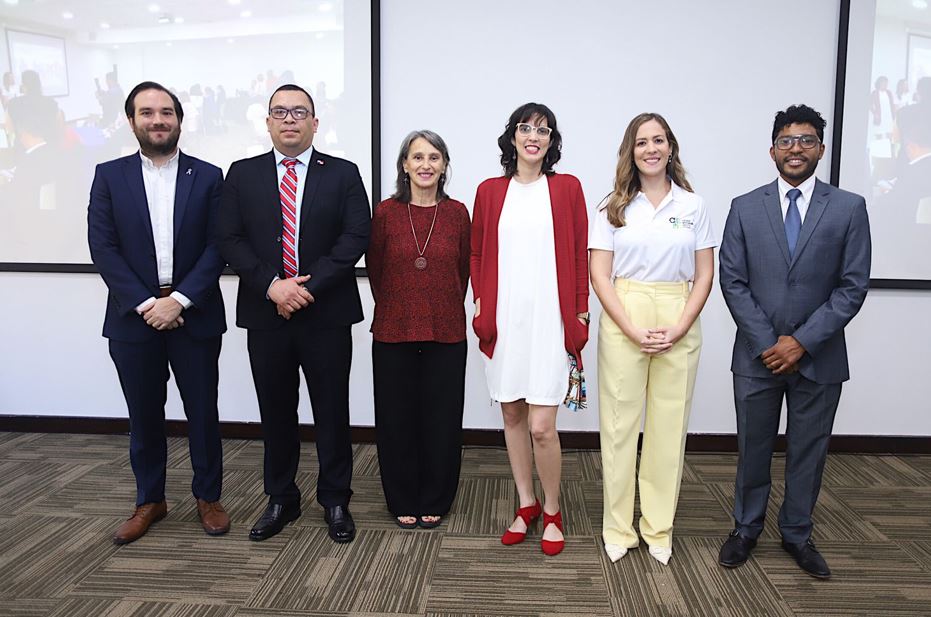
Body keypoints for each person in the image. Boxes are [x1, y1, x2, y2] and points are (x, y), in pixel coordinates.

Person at [717, 104, 871, 579]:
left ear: (821, 149)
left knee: (809, 450)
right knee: (753, 447)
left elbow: (852, 287)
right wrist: (770, 342)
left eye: (806, 140)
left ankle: (798, 534)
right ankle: (746, 528)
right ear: (772, 151)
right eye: (786, 141)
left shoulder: (848, 207)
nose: (796, 148)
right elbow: (732, 279)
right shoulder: (744, 207)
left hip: (819, 358)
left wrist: (800, 342)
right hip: (756, 356)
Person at [217, 83, 370, 543]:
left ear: (315, 123)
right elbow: (229, 239)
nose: (289, 119)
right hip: (267, 315)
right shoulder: (241, 174)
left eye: (299, 112)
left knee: (332, 411)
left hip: (325, 313)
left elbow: (355, 236)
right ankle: (281, 497)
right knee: (276, 411)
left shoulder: (342, 173)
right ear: (267, 122)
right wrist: (272, 287)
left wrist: (305, 288)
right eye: (279, 112)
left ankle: (335, 499)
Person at [87, 81, 228, 544]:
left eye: (166, 112)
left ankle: (208, 497)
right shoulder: (109, 175)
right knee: (143, 414)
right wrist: (150, 304)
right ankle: (150, 499)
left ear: (179, 120)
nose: (158, 120)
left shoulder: (208, 176)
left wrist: (179, 300)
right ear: (132, 121)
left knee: (202, 411)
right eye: (147, 112)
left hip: (194, 313)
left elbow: (217, 246)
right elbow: (103, 249)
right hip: (134, 318)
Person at [589, 113, 716, 566]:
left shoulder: (693, 206)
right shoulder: (612, 206)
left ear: (670, 147)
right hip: (625, 312)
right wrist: (630, 326)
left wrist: (679, 326)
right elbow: (600, 276)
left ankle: (658, 528)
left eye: (658, 140)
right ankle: (618, 528)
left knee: (668, 429)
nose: (651, 149)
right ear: (631, 150)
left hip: (678, 314)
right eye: (642, 142)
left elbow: (704, 275)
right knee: (620, 429)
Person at [470, 102, 589, 556]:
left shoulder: (566, 189)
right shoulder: (489, 191)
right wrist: (480, 302)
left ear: (551, 140)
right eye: (526, 128)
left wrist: (579, 312)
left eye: (543, 129)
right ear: (513, 137)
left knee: (543, 425)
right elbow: (478, 253)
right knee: (512, 415)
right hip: (506, 322)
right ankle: (526, 503)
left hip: (549, 321)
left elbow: (579, 252)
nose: (533, 136)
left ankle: (554, 508)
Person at [367, 130, 470, 529]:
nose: (425, 164)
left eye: (434, 157)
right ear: (404, 165)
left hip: (446, 330)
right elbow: (377, 271)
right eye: (417, 157)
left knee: (442, 420)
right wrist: (402, 304)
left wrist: (436, 304)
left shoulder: (458, 213)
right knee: (396, 419)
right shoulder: (386, 213)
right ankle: (402, 497)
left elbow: (462, 273)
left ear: (444, 165)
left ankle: (436, 497)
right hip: (393, 330)